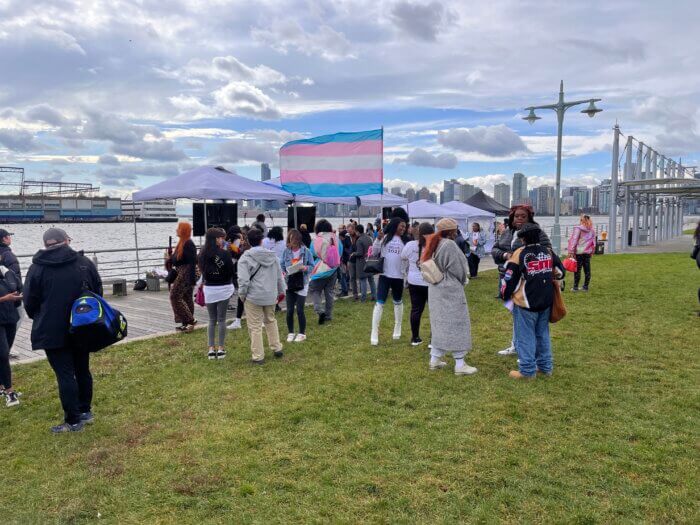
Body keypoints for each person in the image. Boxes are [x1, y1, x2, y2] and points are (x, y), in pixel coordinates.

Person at [23, 228, 102, 432]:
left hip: (51, 328)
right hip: (82, 325)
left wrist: (40, 316)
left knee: (65, 374)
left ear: (46, 244)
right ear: (66, 241)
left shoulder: (37, 268)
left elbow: (29, 301)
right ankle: (84, 411)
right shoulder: (84, 263)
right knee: (82, 368)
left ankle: (73, 420)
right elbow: (98, 293)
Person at [500, 223, 565, 379]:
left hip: (525, 303)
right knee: (542, 334)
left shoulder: (519, 254)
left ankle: (527, 370)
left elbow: (508, 280)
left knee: (525, 336)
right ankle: (545, 367)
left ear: (522, 239)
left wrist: (505, 295)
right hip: (546, 301)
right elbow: (561, 272)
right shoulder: (548, 252)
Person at [491, 205, 551, 356]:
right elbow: (494, 249)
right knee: (517, 315)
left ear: (529, 217)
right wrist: (505, 256)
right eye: (516, 216)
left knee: (527, 317)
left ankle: (528, 350)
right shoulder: (507, 232)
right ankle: (516, 345)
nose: (519, 218)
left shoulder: (537, 233)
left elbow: (548, 252)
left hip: (528, 283)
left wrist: (521, 257)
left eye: (523, 216)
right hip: (507, 278)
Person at [421, 218, 476, 375]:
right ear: (451, 230)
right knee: (457, 322)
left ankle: (435, 359)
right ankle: (460, 363)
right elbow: (458, 269)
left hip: (435, 287)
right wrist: (463, 279)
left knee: (439, 323)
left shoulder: (433, 242)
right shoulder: (449, 244)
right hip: (449, 287)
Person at [237, 228, 285, 364]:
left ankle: (258, 356)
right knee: (271, 320)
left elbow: (243, 281)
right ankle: (277, 348)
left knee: (255, 326)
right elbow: (279, 277)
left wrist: (242, 295)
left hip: (253, 296)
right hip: (270, 295)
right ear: (261, 240)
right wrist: (282, 292)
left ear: (248, 241)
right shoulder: (273, 257)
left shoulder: (245, 258)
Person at [198, 228, 234, 360]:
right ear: (215, 239)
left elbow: (202, 272)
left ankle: (211, 349)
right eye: (220, 238)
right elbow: (231, 271)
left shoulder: (202, 254)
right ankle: (221, 348)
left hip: (210, 289)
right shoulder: (225, 254)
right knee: (222, 319)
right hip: (224, 288)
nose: (222, 240)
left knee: (212, 320)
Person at [370, 217, 407, 346]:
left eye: (404, 226)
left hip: (399, 276)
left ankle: (398, 328)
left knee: (398, 302)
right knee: (379, 303)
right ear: (395, 225)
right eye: (401, 226)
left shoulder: (405, 240)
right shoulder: (385, 237)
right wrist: (378, 239)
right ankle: (374, 332)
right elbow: (374, 252)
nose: (403, 228)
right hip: (385, 275)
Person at [401, 222, 434, 346]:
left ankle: (415, 338)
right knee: (433, 311)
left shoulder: (410, 245)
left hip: (414, 281)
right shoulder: (434, 246)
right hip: (430, 281)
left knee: (416, 310)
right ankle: (433, 339)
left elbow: (403, 257)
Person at [280, 229, 314, 343]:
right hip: (290, 282)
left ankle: (302, 333)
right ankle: (291, 332)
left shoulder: (306, 251)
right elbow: (282, 265)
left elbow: (312, 266)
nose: (292, 244)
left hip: (302, 282)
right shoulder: (286, 251)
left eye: (294, 241)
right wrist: (284, 272)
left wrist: (305, 268)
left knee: (300, 309)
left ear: (299, 241)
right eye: (290, 241)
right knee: (289, 310)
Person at [309, 219, 342, 325]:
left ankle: (319, 310)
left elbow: (311, 255)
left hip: (319, 270)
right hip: (333, 270)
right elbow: (339, 253)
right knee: (329, 293)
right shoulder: (336, 239)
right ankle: (328, 315)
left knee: (315, 291)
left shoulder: (316, 240)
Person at [169, 222, 197, 332]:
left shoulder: (188, 244)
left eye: (179, 228)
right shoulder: (182, 243)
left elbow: (192, 262)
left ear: (183, 230)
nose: (176, 230)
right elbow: (177, 260)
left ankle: (190, 320)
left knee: (175, 295)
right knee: (186, 297)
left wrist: (192, 279)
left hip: (186, 273)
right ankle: (186, 323)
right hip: (183, 272)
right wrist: (170, 258)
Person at [0, 265, 22, 407]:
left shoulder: (5, 272)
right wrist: (4, 298)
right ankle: (9, 392)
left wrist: (17, 296)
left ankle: (1, 387)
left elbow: (18, 286)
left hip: (10, 318)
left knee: (4, 353)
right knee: (2, 355)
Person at [226, 226, 249, 330]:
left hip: (233, 265)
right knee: (242, 292)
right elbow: (238, 253)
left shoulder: (228, 241)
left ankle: (238, 319)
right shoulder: (237, 240)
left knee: (241, 292)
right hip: (237, 266)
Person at [567, 214, 595, 292]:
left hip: (579, 252)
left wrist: (571, 251)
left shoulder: (578, 229)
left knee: (577, 270)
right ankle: (585, 287)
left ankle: (575, 287)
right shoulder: (592, 230)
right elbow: (594, 242)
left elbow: (574, 240)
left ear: (582, 220)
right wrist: (592, 251)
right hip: (587, 252)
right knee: (587, 270)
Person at [349, 224, 376, 302]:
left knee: (363, 280)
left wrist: (354, 253)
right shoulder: (369, 238)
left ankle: (363, 298)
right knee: (371, 280)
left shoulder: (359, 240)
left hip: (361, 263)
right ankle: (374, 295)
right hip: (369, 261)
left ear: (357, 231)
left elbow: (360, 253)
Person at [337, 225, 352, 297]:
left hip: (344, 261)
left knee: (343, 276)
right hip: (346, 261)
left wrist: (342, 260)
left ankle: (344, 290)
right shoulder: (348, 242)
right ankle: (345, 289)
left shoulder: (344, 243)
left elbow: (344, 253)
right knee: (344, 276)